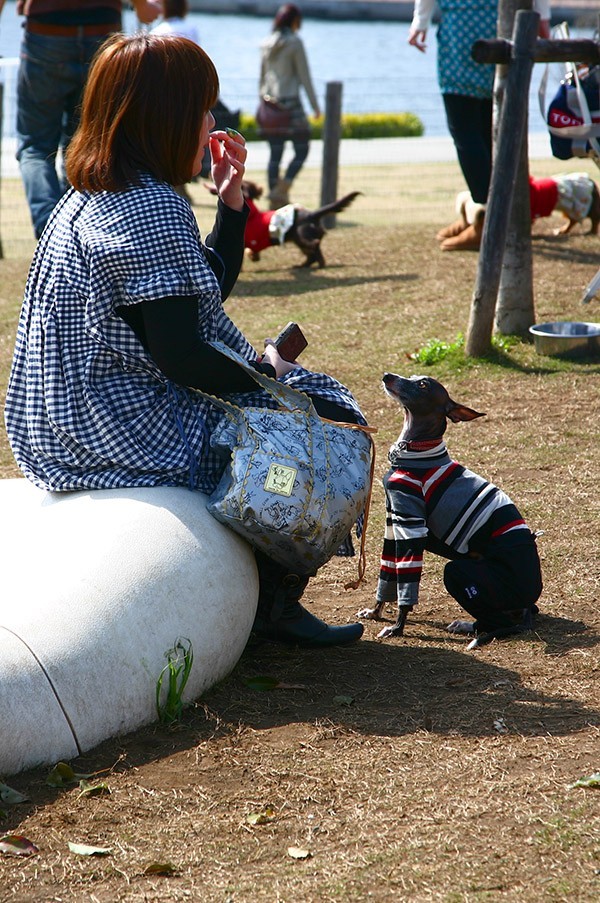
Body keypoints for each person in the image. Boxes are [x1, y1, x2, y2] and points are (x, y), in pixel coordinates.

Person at [4, 33, 365, 649]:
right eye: (202, 107)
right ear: (164, 115)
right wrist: (269, 382)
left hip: (53, 426)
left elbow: (197, 294)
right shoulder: (151, 207)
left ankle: (267, 591)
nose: (211, 123)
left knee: (289, 396)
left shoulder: (93, 194)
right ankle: (272, 600)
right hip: (114, 429)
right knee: (323, 423)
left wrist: (231, 202)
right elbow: (180, 355)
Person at [10, 0, 161, 240]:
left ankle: (50, 232)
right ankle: (76, 233)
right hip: (101, 33)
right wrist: (142, 6)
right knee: (89, 146)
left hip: (45, 33)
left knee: (35, 148)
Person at [408, 0, 551, 251]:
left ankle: (490, 218)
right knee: (491, 125)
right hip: (503, 25)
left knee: (465, 130)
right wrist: (542, 17)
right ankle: (500, 214)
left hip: (461, 28)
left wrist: (420, 20)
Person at [258, 2, 321, 207]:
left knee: (275, 154)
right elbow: (305, 76)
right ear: (295, 21)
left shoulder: (266, 42)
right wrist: (315, 106)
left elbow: (262, 77)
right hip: (291, 105)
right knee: (302, 149)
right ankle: (282, 188)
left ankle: (275, 197)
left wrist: (261, 102)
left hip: (270, 105)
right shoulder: (295, 43)